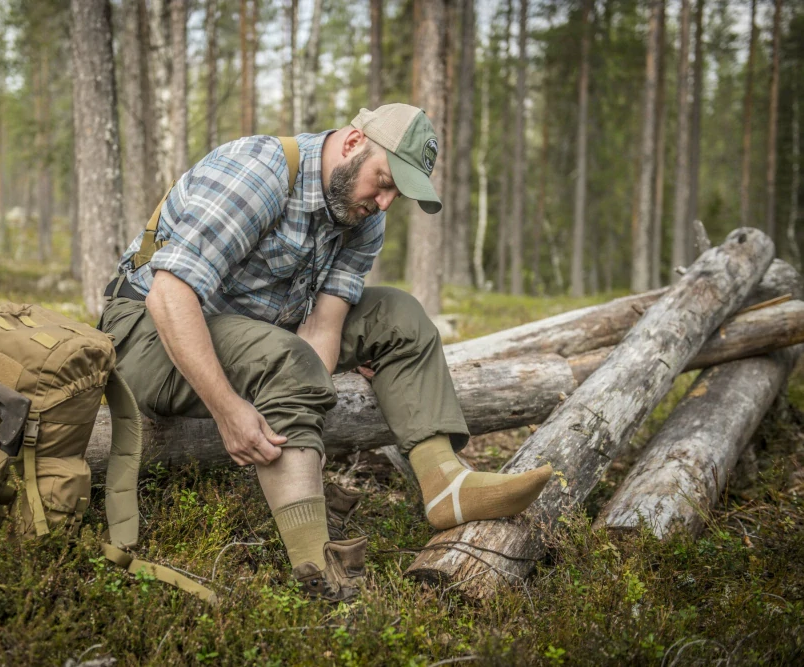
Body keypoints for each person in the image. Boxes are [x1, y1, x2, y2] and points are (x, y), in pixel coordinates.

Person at [98, 103, 552, 602]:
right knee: (282, 358)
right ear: (354, 143)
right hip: (149, 329)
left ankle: (445, 483)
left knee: (398, 314)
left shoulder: (363, 215)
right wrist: (228, 410)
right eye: (382, 181)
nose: (383, 203)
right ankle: (317, 573)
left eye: (396, 193)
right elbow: (170, 296)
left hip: (253, 328)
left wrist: (306, 403)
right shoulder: (259, 172)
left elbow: (323, 327)